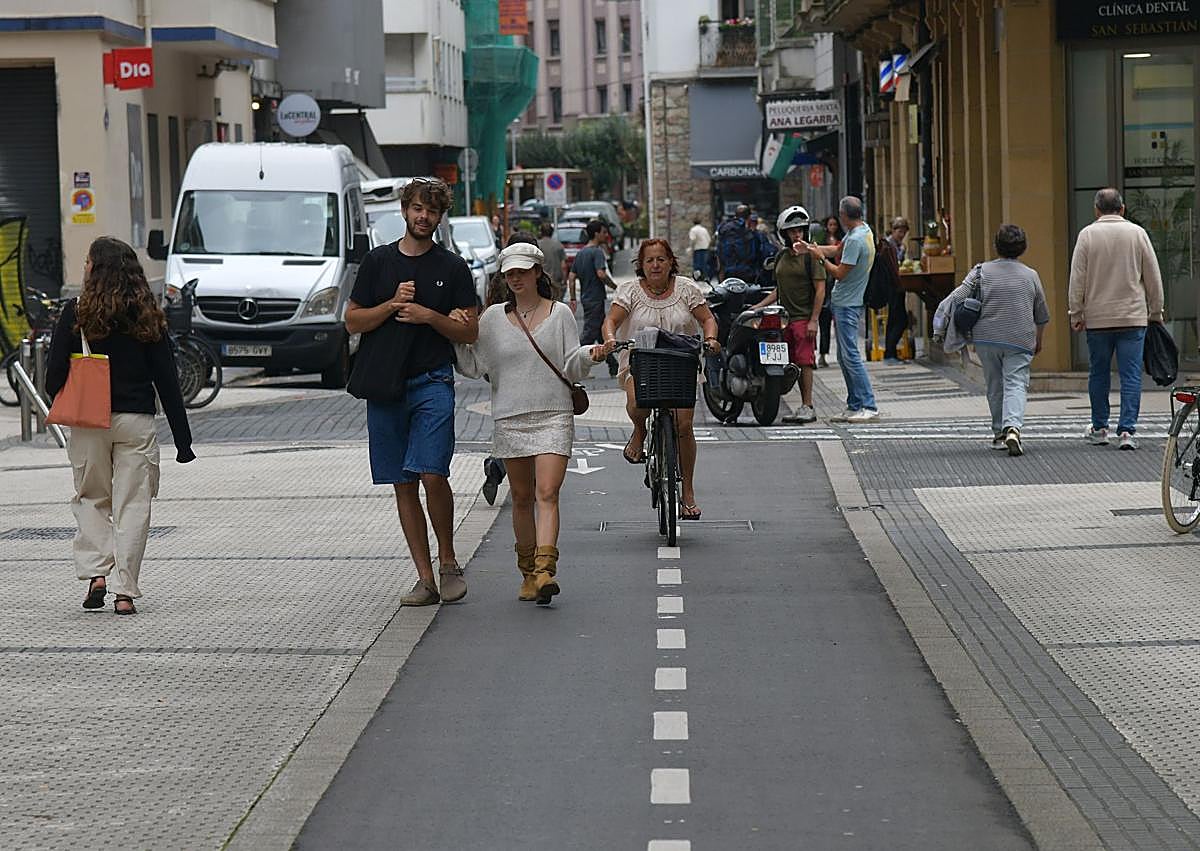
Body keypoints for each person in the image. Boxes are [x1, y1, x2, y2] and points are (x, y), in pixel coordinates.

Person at [345, 177, 478, 606]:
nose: (424, 217)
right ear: (404, 210)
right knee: (404, 483)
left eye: (432, 211)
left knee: (432, 472)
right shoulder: (378, 263)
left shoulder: (452, 268)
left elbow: (470, 330)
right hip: (386, 387)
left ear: (440, 217)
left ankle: (449, 561)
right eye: (418, 208)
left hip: (432, 381)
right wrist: (390, 304)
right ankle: (424, 577)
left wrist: (428, 315)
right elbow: (352, 321)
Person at [45, 236, 195, 615]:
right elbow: (167, 380)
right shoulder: (147, 312)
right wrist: (182, 439)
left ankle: (97, 573)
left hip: (90, 420)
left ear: (94, 269)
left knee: (91, 497)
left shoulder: (76, 311)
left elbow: (53, 376)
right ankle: (125, 592)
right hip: (136, 421)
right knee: (133, 504)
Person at [451, 243, 604, 604]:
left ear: (538, 271)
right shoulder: (490, 319)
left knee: (547, 494)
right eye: (510, 273)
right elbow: (475, 366)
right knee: (520, 498)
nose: (516, 278)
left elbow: (571, 363)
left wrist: (591, 355)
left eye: (522, 270)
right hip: (510, 416)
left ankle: (545, 570)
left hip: (553, 413)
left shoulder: (561, 313)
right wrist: (455, 339)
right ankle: (527, 574)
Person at [599, 239, 720, 519]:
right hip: (640, 362)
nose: (655, 265)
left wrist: (711, 339)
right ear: (641, 265)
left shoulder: (687, 288)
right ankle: (639, 431)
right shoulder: (629, 291)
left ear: (670, 263)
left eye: (661, 259)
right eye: (649, 260)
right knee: (638, 403)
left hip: (680, 363)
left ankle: (687, 491)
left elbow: (708, 319)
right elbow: (611, 322)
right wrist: (609, 340)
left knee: (684, 425)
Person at [940, 225, 1050, 456]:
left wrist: (942, 320)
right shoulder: (1031, 275)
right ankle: (1013, 428)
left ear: (996, 246)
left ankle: (999, 432)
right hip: (1020, 339)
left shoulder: (981, 271)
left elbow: (959, 296)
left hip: (986, 338)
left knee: (994, 384)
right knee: (1016, 383)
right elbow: (1041, 313)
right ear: (1023, 248)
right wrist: (1038, 339)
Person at [1068, 187, 1165, 451]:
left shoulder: (1087, 235)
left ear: (1096, 210)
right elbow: (1152, 277)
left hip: (1098, 319)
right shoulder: (1137, 233)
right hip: (1132, 317)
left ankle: (1100, 427)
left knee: (1098, 373)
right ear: (1122, 208)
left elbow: (1077, 279)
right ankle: (1127, 431)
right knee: (1131, 374)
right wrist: (1155, 312)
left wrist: (1076, 313)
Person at [807, 196, 881, 423]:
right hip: (846, 303)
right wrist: (811, 248)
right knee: (843, 355)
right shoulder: (863, 231)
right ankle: (854, 404)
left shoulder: (857, 240)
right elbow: (838, 249)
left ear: (843, 216)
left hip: (848, 303)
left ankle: (868, 404)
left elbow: (839, 272)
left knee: (851, 356)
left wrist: (820, 259)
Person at [753, 206, 824, 425]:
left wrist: (813, 320)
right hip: (784, 318)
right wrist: (758, 307)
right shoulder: (782, 255)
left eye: (800, 230)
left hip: (804, 317)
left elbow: (820, 289)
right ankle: (797, 406)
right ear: (784, 234)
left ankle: (808, 406)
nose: (797, 235)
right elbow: (779, 289)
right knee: (789, 362)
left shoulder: (811, 256)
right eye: (792, 231)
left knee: (805, 362)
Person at [567, 220, 618, 376]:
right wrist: (615, 287)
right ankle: (574, 362)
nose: (605, 235)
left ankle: (613, 364)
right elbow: (601, 274)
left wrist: (573, 298)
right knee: (589, 334)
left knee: (598, 332)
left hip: (586, 297)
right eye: (603, 232)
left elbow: (571, 276)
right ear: (596, 234)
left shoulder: (581, 253)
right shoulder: (596, 252)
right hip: (595, 297)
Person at [817, 214, 844, 368]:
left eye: (835, 225)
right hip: (825, 284)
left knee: (840, 322)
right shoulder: (822, 241)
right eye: (830, 225)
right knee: (824, 321)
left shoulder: (842, 241)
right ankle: (822, 355)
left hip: (838, 282)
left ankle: (842, 354)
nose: (832, 227)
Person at [882, 216, 911, 362]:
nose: (902, 235)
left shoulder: (898, 244)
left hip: (897, 285)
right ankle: (889, 352)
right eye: (900, 231)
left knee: (895, 318)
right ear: (893, 231)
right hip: (892, 286)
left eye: (904, 232)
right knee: (899, 319)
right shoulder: (889, 245)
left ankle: (890, 353)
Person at [716, 204, 768, 282]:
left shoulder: (724, 229)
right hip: (747, 273)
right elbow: (760, 253)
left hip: (728, 273)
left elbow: (719, 253)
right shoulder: (752, 234)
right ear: (749, 217)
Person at [537, 221, 568, 300]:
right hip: (556, 281)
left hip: (540, 281)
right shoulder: (558, 245)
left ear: (541, 232)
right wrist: (564, 280)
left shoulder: (537, 245)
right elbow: (563, 265)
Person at [688, 217, 712, 281]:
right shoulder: (704, 229)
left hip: (698, 248)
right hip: (705, 248)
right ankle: (706, 277)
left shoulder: (693, 230)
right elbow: (709, 239)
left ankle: (697, 277)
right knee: (705, 264)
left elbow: (693, 239)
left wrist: (690, 248)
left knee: (697, 264)